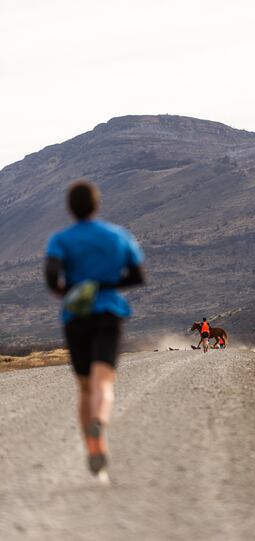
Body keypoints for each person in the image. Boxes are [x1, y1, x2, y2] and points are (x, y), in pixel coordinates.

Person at [44, 179, 145, 477]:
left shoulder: (60, 240)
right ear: (97, 204)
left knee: (85, 387)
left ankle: (93, 447)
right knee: (104, 383)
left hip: (75, 318)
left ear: (70, 208)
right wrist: (104, 285)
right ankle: (100, 419)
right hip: (109, 313)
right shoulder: (118, 236)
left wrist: (71, 291)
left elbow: (51, 276)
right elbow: (138, 275)